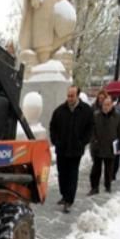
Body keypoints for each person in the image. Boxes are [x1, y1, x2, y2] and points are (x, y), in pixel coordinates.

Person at [49, 85, 94, 213]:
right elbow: (52, 127)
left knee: (72, 175)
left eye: (72, 96)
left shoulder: (86, 110)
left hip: (76, 149)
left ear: (77, 95)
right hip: (62, 149)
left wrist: (82, 142)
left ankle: (69, 200)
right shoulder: (59, 111)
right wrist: (55, 141)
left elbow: (90, 128)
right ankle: (64, 195)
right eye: (68, 95)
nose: (69, 98)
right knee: (62, 174)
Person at [88, 95, 120, 195]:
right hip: (98, 147)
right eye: (104, 104)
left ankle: (107, 185)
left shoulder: (118, 117)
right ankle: (94, 187)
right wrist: (93, 141)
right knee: (95, 170)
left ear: (112, 105)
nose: (106, 107)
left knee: (109, 170)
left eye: (108, 105)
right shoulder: (96, 115)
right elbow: (91, 131)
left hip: (111, 148)